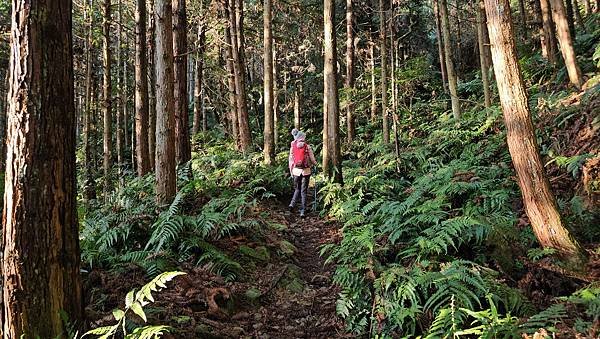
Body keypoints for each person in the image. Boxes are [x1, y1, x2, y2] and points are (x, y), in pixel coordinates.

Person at [288, 128, 317, 217]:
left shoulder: (293, 146)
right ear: (303, 137)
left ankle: (292, 204)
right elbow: (312, 159)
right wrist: (316, 164)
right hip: (306, 171)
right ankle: (303, 211)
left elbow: (291, 160)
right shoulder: (307, 146)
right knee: (304, 191)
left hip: (296, 171)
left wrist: (291, 171)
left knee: (297, 189)